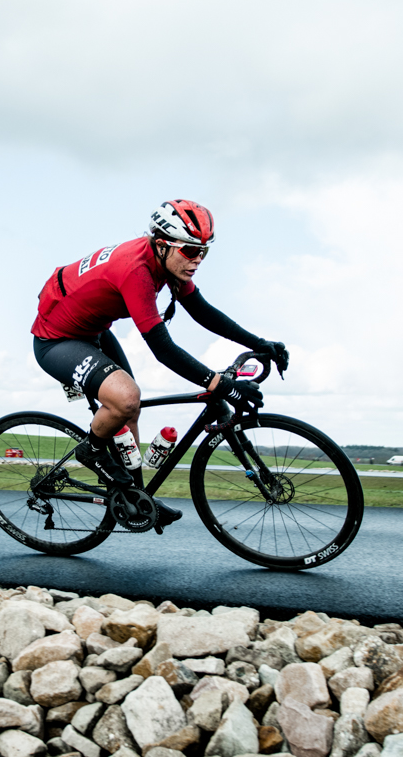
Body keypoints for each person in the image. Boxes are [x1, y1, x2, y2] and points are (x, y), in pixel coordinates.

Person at [31, 199, 288, 532]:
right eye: (191, 250)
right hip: (56, 341)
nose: (197, 260)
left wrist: (260, 343)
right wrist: (221, 384)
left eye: (204, 252)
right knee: (126, 398)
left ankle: (136, 498)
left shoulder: (168, 262)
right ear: (163, 245)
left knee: (130, 410)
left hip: (92, 331)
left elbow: (202, 310)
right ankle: (91, 451)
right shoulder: (137, 271)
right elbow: (163, 350)